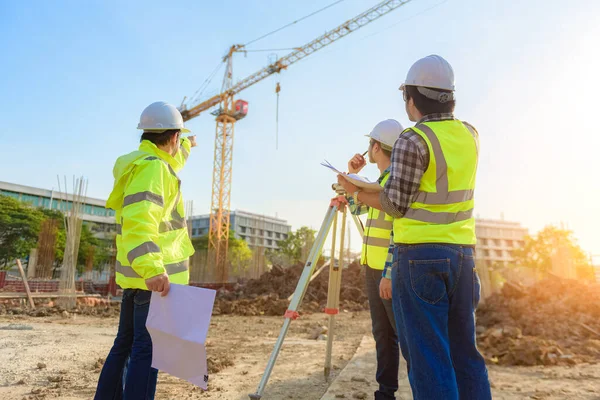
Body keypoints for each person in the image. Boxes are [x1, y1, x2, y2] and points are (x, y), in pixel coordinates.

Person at [337, 55, 491, 399]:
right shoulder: (470, 134)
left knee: (429, 361)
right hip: (463, 257)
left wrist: (355, 190)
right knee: (465, 355)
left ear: (412, 97)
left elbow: (394, 204)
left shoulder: (413, 139)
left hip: (420, 258)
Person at [95, 101, 196, 400]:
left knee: (125, 345)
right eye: (180, 139)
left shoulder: (146, 163)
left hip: (137, 279)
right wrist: (153, 268)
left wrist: (188, 143)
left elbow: (174, 161)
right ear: (172, 138)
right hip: (152, 279)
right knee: (146, 352)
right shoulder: (154, 170)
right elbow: (141, 221)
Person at [332, 119, 403, 400]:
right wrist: (352, 174)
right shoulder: (378, 183)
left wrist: (388, 272)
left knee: (403, 336)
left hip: (388, 272)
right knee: (383, 335)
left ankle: (425, 389)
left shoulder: (392, 184)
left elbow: (399, 230)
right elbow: (356, 207)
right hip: (373, 268)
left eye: (370, 145)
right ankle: (385, 393)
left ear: (375, 147)